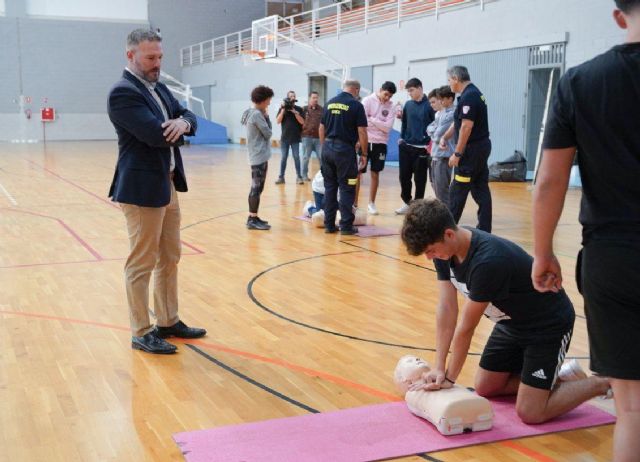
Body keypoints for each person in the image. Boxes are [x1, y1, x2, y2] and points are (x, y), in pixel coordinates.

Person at [531, 2, 640, 459]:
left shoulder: (580, 81)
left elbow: (550, 180)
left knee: (632, 410)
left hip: (613, 258)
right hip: (611, 253)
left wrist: (542, 253)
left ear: (619, 17)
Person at [401, 199, 610, 424]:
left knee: (531, 412)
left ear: (449, 234)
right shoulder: (444, 251)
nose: (429, 257)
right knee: (486, 387)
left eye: (430, 250)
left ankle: (605, 382)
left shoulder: (488, 262)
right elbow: (446, 309)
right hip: (511, 324)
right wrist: (439, 366)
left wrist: (450, 378)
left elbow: (466, 327)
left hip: (547, 325)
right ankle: (556, 379)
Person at [107, 29, 206, 355]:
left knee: (170, 257)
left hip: (168, 184)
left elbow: (189, 115)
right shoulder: (123, 93)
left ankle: (167, 320)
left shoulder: (159, 87)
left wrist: (185, 123)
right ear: (130, 56)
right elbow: (155, 135)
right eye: (150, 58)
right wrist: (180, 127)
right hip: (141, 190)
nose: (157, 63)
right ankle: (141, 330)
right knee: (142, 262)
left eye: (160, 57)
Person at [439, 66, 492, 232]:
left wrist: (457, 153)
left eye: (449, 81)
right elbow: (459, 122)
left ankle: (447, 229)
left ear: (455, 78)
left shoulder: (469, 97)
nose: (449, 85)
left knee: (458, 189)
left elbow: (466, 127)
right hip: (481, 148)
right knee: (480, 188)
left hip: (471, 151)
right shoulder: (473, 93)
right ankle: (484, 229)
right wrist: (445, 137)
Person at [318, 80, 368, 235]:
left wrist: (324, 147)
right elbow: (362, 132)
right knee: (347, 188)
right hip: (344, 151)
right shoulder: (356, 105)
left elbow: (321, 128)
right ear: (356, 90)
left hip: (327, 148)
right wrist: (364, 154)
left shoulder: (329, 103)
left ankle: (329, 225)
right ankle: (346, 226)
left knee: (330, 188)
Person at [355, 81, 397, 215]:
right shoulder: (367, 101)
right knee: (358, 172)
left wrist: (372, 120)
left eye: (390, 96)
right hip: (365, 141)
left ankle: (371, 203)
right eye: (386, 94)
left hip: (381, 143)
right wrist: (379, 123)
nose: (387, 98)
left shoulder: (391, 106)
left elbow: (388, 127)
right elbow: (361, 122)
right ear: (380, 90)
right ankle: (354, 202)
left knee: (375, 173)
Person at [395, 78, 435, 215]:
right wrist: (401, 138)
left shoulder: (430, 105)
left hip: (422, 149)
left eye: (411, 90)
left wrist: (429, 143)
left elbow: (435, 126)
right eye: (408, 91)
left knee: (420, 179)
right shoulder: (408, 105)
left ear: (420, 88)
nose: (410, 93)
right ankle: (407, 202)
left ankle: (418, 206)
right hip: (406, 147)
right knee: (404, 177)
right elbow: (404, 123)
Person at [241, 85, 274, 230]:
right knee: (256, 187)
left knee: (258, 187)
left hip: (256, 153)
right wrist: (267, 118)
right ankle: (252, 219)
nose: (269, 103)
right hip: (258, 155)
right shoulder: (257, 115)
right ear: (262, 100)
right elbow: (268, 133)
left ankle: (253, 216)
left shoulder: (249, 112)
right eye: (268, 100)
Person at [427, 86, 456, 207]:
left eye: (442, 99)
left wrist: (434, 133)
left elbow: (438, 135)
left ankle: (448, 219)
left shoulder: (452, 114)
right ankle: (444, 216)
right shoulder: (440, 113)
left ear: (450, 99)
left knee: (442, 190)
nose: (440, 102)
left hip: (444, 156)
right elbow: (429, 128)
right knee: (435, 186)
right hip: (436, 154)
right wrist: (434, 132)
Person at [275, 90, 305, 185]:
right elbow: (278, 121)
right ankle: (281, 177)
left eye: (293, 96)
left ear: (295, 98)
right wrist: (283, 110)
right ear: (287, 98)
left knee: (296, 157)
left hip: (295, 138)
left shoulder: (299, 109)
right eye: (290, 96)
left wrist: (295, 112)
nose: (292, 97)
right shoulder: (282, 109)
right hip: (284, 139)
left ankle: (299, 177)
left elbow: (302, 122)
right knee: (283, 158)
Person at [301, 91, 324, 181]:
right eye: (313, 97)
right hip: (307, 137)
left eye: (317, 97)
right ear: (310, 98)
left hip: (318, 138)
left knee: (321, 157)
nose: (315, 99)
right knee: (306, 157)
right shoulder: (304, 109)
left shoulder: (322, 109)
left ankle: (324, 175)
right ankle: (304, 175)